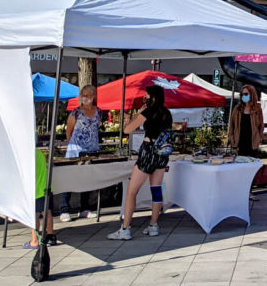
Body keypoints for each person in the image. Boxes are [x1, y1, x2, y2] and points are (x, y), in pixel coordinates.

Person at [107, 85, 172, 240]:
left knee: (132, 191)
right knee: (156, 189)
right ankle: (153, 225)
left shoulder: (148, 111)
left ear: (153, 97)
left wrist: (135, 115)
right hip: (161, 154)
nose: (145, 98)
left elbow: (128, 130)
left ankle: (125, 228)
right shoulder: (166, 113)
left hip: (148, 152)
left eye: (146, 95)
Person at [57, 84, 100, 222]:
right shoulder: (75, 113)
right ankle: (64, 209)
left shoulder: (99, 112)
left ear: (93, 97)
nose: (86, 98)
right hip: (76, 150)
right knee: (70, 178)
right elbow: (68, 132)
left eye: (88, 95)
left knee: (87, 179)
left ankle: (85, 208)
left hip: (91, 150)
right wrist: (72, 146)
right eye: (84, 95)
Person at [26, 148, 56, 249]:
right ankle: (51, 236)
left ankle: (35, 240)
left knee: (34, 215)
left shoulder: (26, 155)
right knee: (47, 212)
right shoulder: (39, 152)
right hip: (46, 187)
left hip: (35, 190)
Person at [228, 84, 264, 156]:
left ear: (252, 94)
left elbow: (261, 125)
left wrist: (259, 139)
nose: (244, 96)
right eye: (242, 94)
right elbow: (232, 126)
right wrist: (232, 140)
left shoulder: (257, 109)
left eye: (246, 94)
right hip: (239, 143)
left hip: (253, 144)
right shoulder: (237, 109)